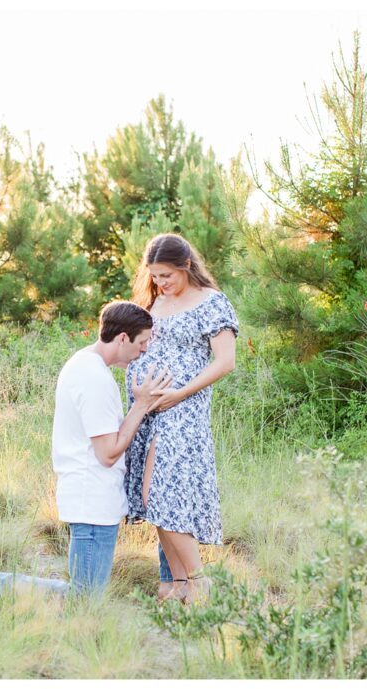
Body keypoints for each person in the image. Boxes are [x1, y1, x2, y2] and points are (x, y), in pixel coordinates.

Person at [0, 301, 171, 598]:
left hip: (91, 498)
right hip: (92, 500)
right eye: (142, 342)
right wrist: (142, 406)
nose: (143, 351)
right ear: (123, 338)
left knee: (85, 595)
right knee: (84, 599)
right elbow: (108, 453)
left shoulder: (85, 364)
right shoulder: (93, 378)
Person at [124, 233, 238, 604]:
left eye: (167, 276)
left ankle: (200, 581)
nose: (161, 283)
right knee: (150, 497)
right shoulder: (155, 301)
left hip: (182, 411)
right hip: (148, 412)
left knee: (161, 493)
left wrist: (178, 393)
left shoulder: (211, 303)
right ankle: (178, 584)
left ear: (187, 266)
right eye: (155, 276)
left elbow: (225, 362)